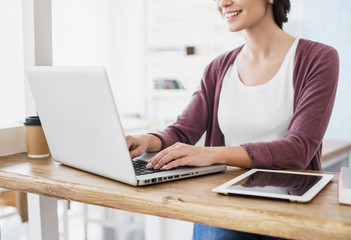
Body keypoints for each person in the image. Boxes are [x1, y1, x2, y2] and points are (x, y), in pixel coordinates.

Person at [126, 0, 339, 239]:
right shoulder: (218, 68)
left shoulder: (318, 58)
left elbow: (299, 150)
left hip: (288, 212)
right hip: (226, 206)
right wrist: (146, 140)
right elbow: (183, 131)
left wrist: (215, 153)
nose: (223, 3)